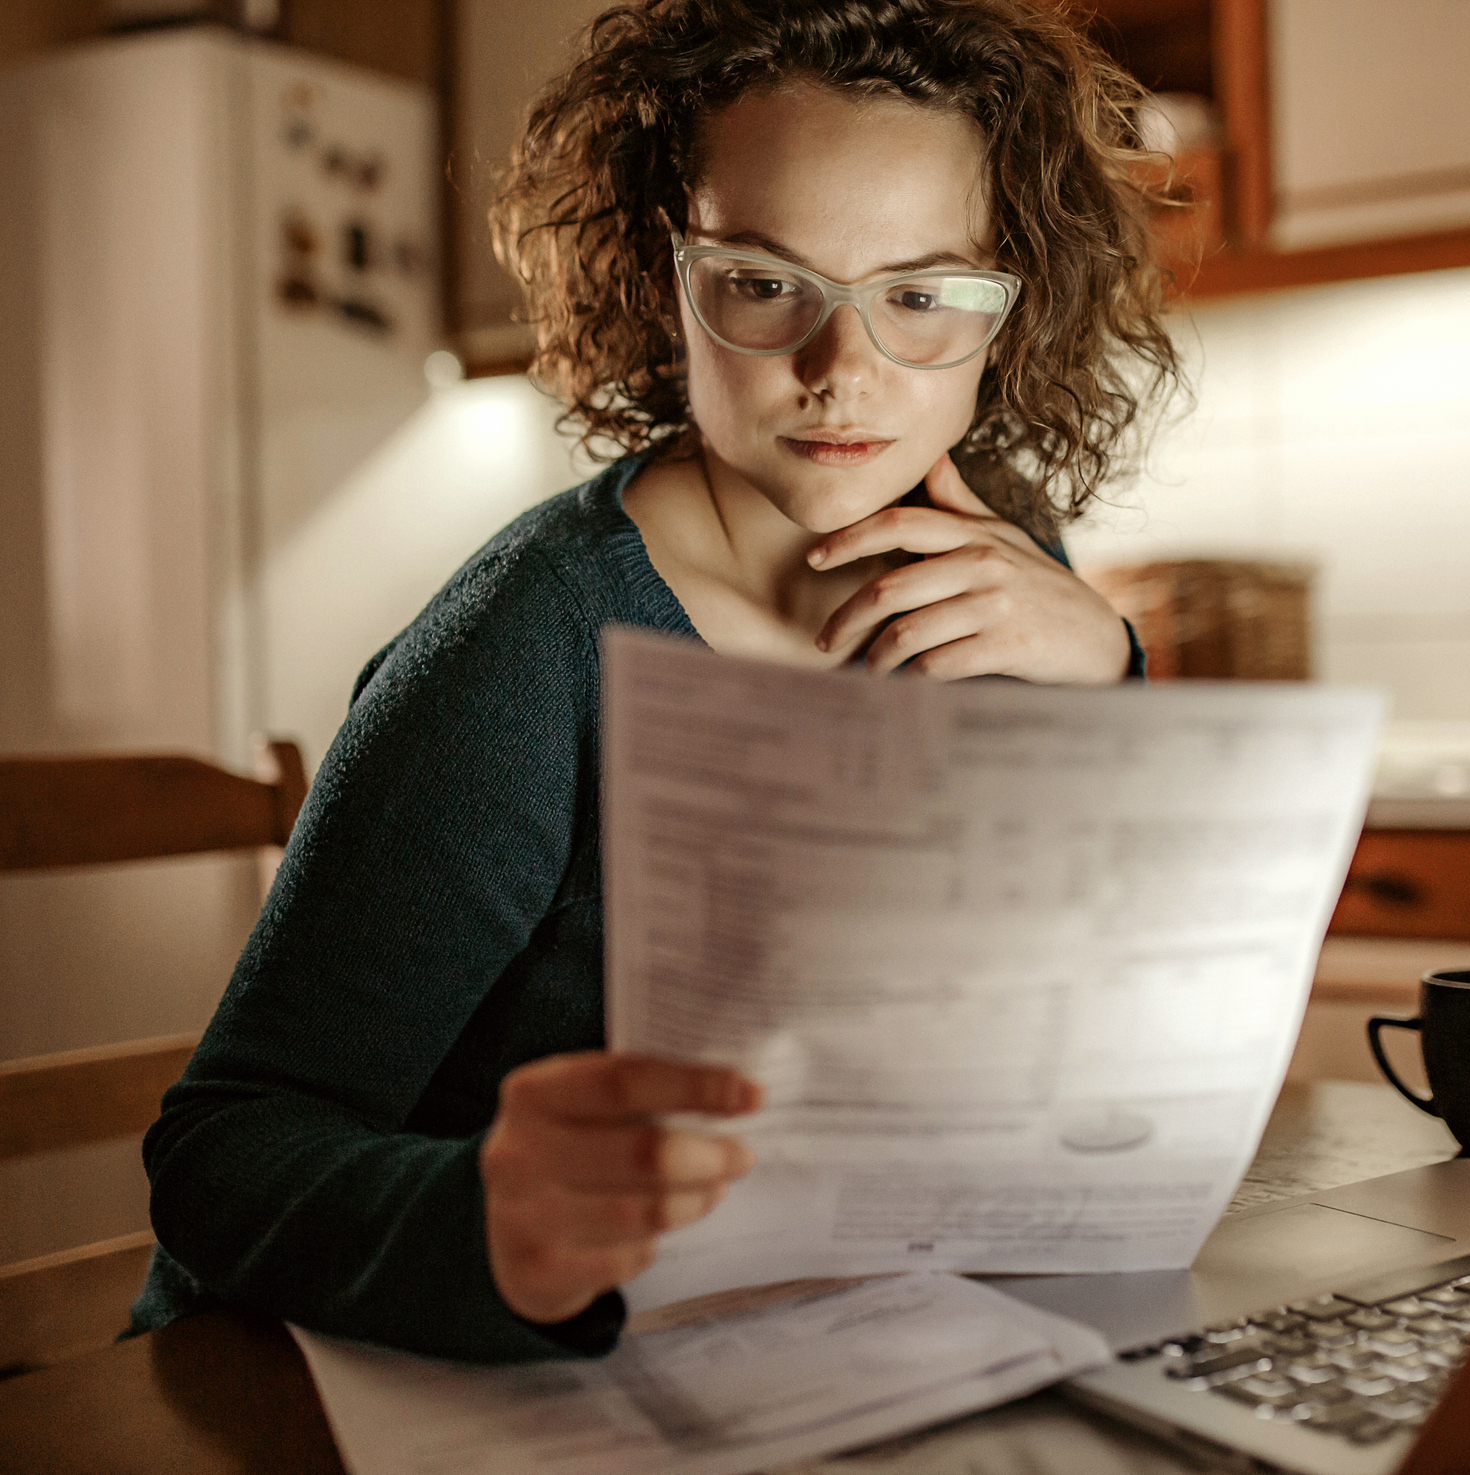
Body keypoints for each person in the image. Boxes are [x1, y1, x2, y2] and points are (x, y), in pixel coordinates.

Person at [131, 0, 1184, 1363]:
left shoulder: (1008, 554)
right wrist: (488, 1224)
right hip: (384, 1390)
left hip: (816, 1350)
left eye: (920, 295)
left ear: (1007, 308)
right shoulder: (530, 649)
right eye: (762, 284)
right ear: (664, 280)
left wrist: (1107, 671)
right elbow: (220, 1155)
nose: (841, 371)